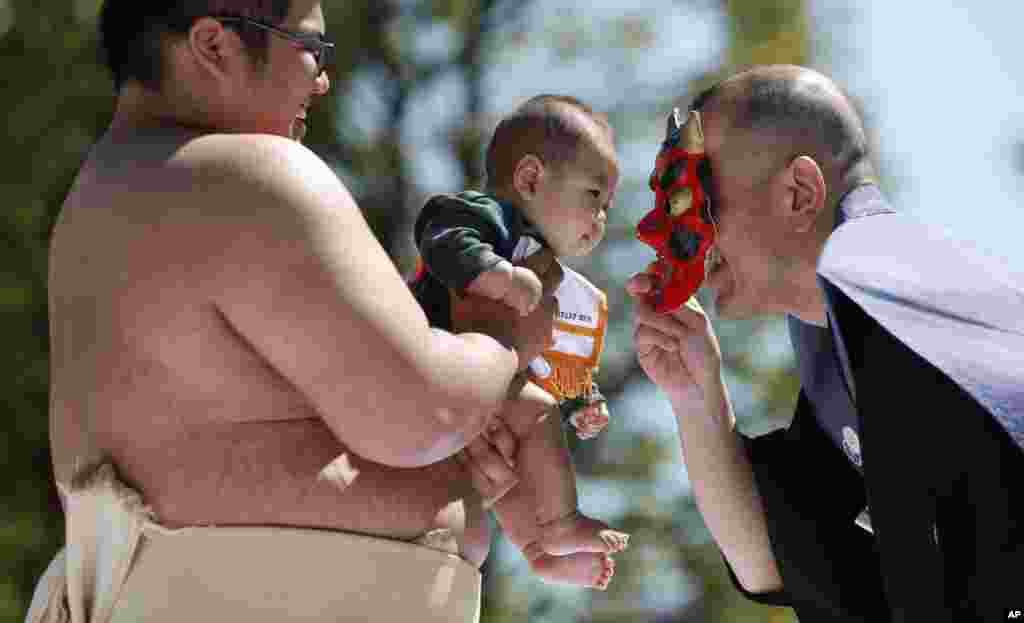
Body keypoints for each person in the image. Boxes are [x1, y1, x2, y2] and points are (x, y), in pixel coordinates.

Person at [26, 2, 558, 622]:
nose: (323, 78)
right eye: (310, 49)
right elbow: (421, 412)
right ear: (215, 45)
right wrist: (501, 336)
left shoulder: (107, 198)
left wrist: (454, 456)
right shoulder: (238, 174)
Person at [629, 64, 1024, 622]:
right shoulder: (831, 333)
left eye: (704, 202)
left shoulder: (878, 267)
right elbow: (772, 561)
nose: (689, 237)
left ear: (799, 193)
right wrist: (697, 397)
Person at [409, 94, 629, 590]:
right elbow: (439, 232)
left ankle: (539, 551)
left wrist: (581, 399)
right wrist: (495, 274)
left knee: (509, 469)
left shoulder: (554, 274)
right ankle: (560, 523)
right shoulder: (491, 219)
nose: (602, 219)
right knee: (536, 413)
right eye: (594, 196)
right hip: (436, 362)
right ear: (530, 179)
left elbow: (549, 352)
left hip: (477, 396)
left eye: (608, 207)